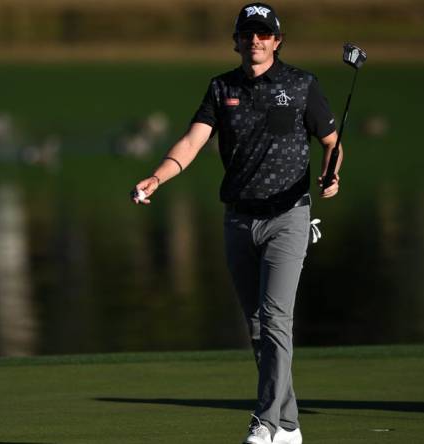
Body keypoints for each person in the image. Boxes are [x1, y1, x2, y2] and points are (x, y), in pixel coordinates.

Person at [131, 3, 341, 443]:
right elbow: (192, 142)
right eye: (248, 34)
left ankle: (263, 422)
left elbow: (331, 142)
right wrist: (157, 177)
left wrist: (331, 171)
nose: (256, 41)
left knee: (276, 318)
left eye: (264, 34)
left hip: (288, 215)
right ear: (236, 40)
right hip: (239, 221)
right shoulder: (221, 88)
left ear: (277, 41)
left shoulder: (301, 85)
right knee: (257, 326)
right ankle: (288, 425)